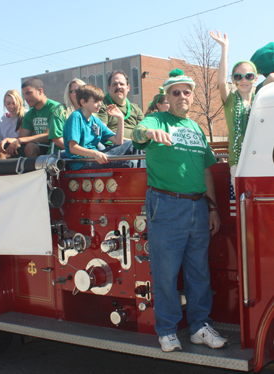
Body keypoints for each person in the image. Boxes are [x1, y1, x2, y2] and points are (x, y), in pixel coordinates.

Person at [131, 69, 227, 352]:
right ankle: (167, 330)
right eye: (176, 92)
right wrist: (149, 131)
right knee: (166, 272)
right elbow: (138, 132)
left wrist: (212, 208)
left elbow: (206, 171)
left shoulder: (197, 128)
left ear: (192, 96)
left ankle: (199, 327)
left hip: (199, 206)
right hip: (167, 204)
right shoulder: (157, 119)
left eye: (187, 92)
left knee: (199, 272)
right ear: (167, 97)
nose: (182, 96)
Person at [210, 30, 258, 188]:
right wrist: (225, 48)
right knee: (243, 207)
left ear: (255, 79)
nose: (244, 80)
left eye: (249, 76)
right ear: (233, 80)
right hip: (238, 162)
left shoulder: (261, 99)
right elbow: (222, 83)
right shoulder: (230, 101)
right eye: (238, 77)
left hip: (261, 159)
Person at [63, 84, 136, 170]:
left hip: (96, 159)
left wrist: (120, 118)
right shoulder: (76, 117)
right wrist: (95, 154)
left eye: (100, 101)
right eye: (95, 101)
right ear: (83, 102)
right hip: (81, 163)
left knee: (134, 144)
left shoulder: (96, 121)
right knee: (128, 162)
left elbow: (118, 141)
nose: (100, 104)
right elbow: (73, 148)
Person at [5, 78, 59, 157]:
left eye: (28, 93)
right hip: (36, 145)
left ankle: (34, 169)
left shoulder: (55, 108)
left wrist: (21, 140)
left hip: (53, 148)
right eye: (24, 95)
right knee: (3, 150)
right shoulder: (29, 114)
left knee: (30, 147)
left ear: (40, 91)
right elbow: (23, 138)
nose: (25, 98)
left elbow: (49, 136)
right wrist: (9, 141)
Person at [98, 70, 144, 143]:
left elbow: (142, 130)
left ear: (128, 88)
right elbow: (103, 130)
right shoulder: (102, 104)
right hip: (112, 146)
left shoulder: (136, 108)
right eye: (115, 84)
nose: (118, 87)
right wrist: (127, 141)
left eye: (122, 84)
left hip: (135, 146)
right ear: (108, 88)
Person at [48, 79, 86, 153]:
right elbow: (57, 139)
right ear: (69, 94)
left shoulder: (91, 112)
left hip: (87, 153)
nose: (78, 93)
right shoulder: (60, 110)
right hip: (62, 154)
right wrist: (79, 151)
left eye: (81, 90)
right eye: (75, 91)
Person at [0, 90, 27, 160]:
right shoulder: (2, 120)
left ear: (19, 102)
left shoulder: (26, 115)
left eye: (14, 103)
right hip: (7, 150)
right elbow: (0, 141)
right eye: (8, 104)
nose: (11, 106)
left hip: (23, 147)